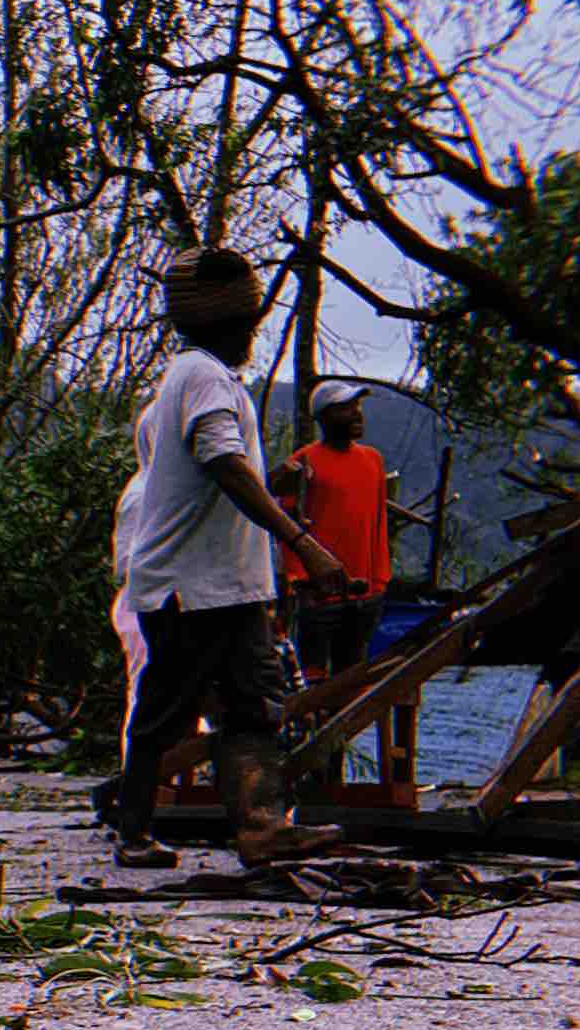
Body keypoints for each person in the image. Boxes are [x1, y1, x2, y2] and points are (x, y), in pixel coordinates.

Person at [108, 245, 354, 870]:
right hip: (191, 588)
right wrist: (303, 543)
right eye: (248, 323)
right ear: (229, 323)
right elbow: (224, 465)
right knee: (166, 711)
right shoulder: (202, 377)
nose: (253, 333)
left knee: (254, 704)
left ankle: (263, 828)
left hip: (227, 585)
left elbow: (228, 469)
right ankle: (133, 830)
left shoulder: (197, 378)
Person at [277, 380, 394, 683]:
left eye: (357, 407)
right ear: (323, 418)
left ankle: (344, 729)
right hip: (319, 593)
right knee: (314, 679)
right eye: (345, 408)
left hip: (364, 591)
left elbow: (379, 522)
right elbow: (286, 524)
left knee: (352, 676)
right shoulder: (304, 462)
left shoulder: (373, 460)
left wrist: (380, 579)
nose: (357, 414)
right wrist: (298, 580)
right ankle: (314, 728)